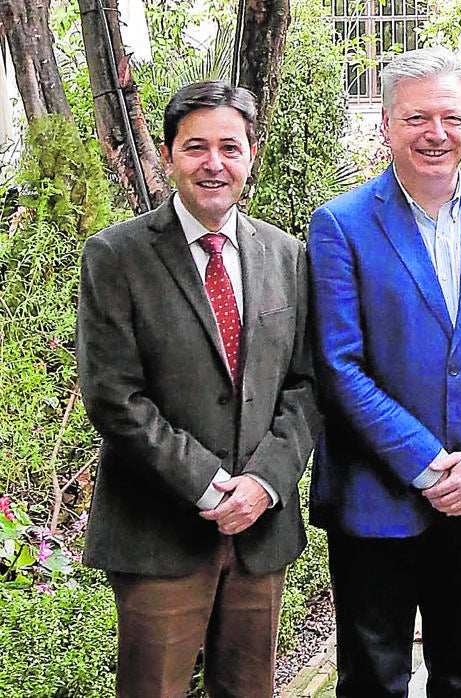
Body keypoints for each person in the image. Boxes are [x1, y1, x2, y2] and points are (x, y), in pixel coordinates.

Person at [307, 46, 461, 697]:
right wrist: (426, 461)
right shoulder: (341, 226)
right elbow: (339, 365)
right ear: (386, 125)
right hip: (376, 499)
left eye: (451, 117)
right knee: (372, 681)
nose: (436, 133)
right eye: (417, 118)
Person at [76, 81, 320, 697]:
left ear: (251, 154)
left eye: (229, 148)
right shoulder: (117, 255)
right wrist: (208, 486)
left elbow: (305, 384)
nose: (214, 164)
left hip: (259, 532)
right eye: (196, 148)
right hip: (160, 530)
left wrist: (264, 483)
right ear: (169, 154)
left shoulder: (287, 255)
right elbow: (114, 395)